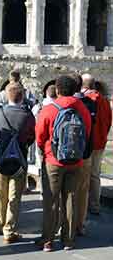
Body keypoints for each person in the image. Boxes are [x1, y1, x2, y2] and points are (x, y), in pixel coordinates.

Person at [36, 75, 91, 251]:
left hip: (53, 159)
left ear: (57, 90)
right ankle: (68, 240)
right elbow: (87, 132)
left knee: (51, 201)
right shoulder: (82, 108)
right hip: (76, 160)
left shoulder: (50, 109)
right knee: (70, 199)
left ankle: (48, 240)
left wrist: (45, 150)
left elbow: (39, 136)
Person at [0, 82, 35, 244]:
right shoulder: (28, 116)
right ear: (22, 96)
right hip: (19, 159)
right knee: (14, 197)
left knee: (0, 195)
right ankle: (9, 229)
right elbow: (31, 137)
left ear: (6, 95)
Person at [71, 73, 97, 236]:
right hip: (85, 151)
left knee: (65, 192)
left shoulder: (61, 103)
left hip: (63, 155)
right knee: (82, 191)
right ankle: (79, 225)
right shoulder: (90, 103)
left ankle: (63, 225)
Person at [81, 74, 112, 216]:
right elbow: (108, 121)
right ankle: (95, 205)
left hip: (87, 143)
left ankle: (83, 204)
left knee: (84, 175)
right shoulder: (105, 101)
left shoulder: (85, 99)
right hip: (100, 141)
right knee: (95, 175)